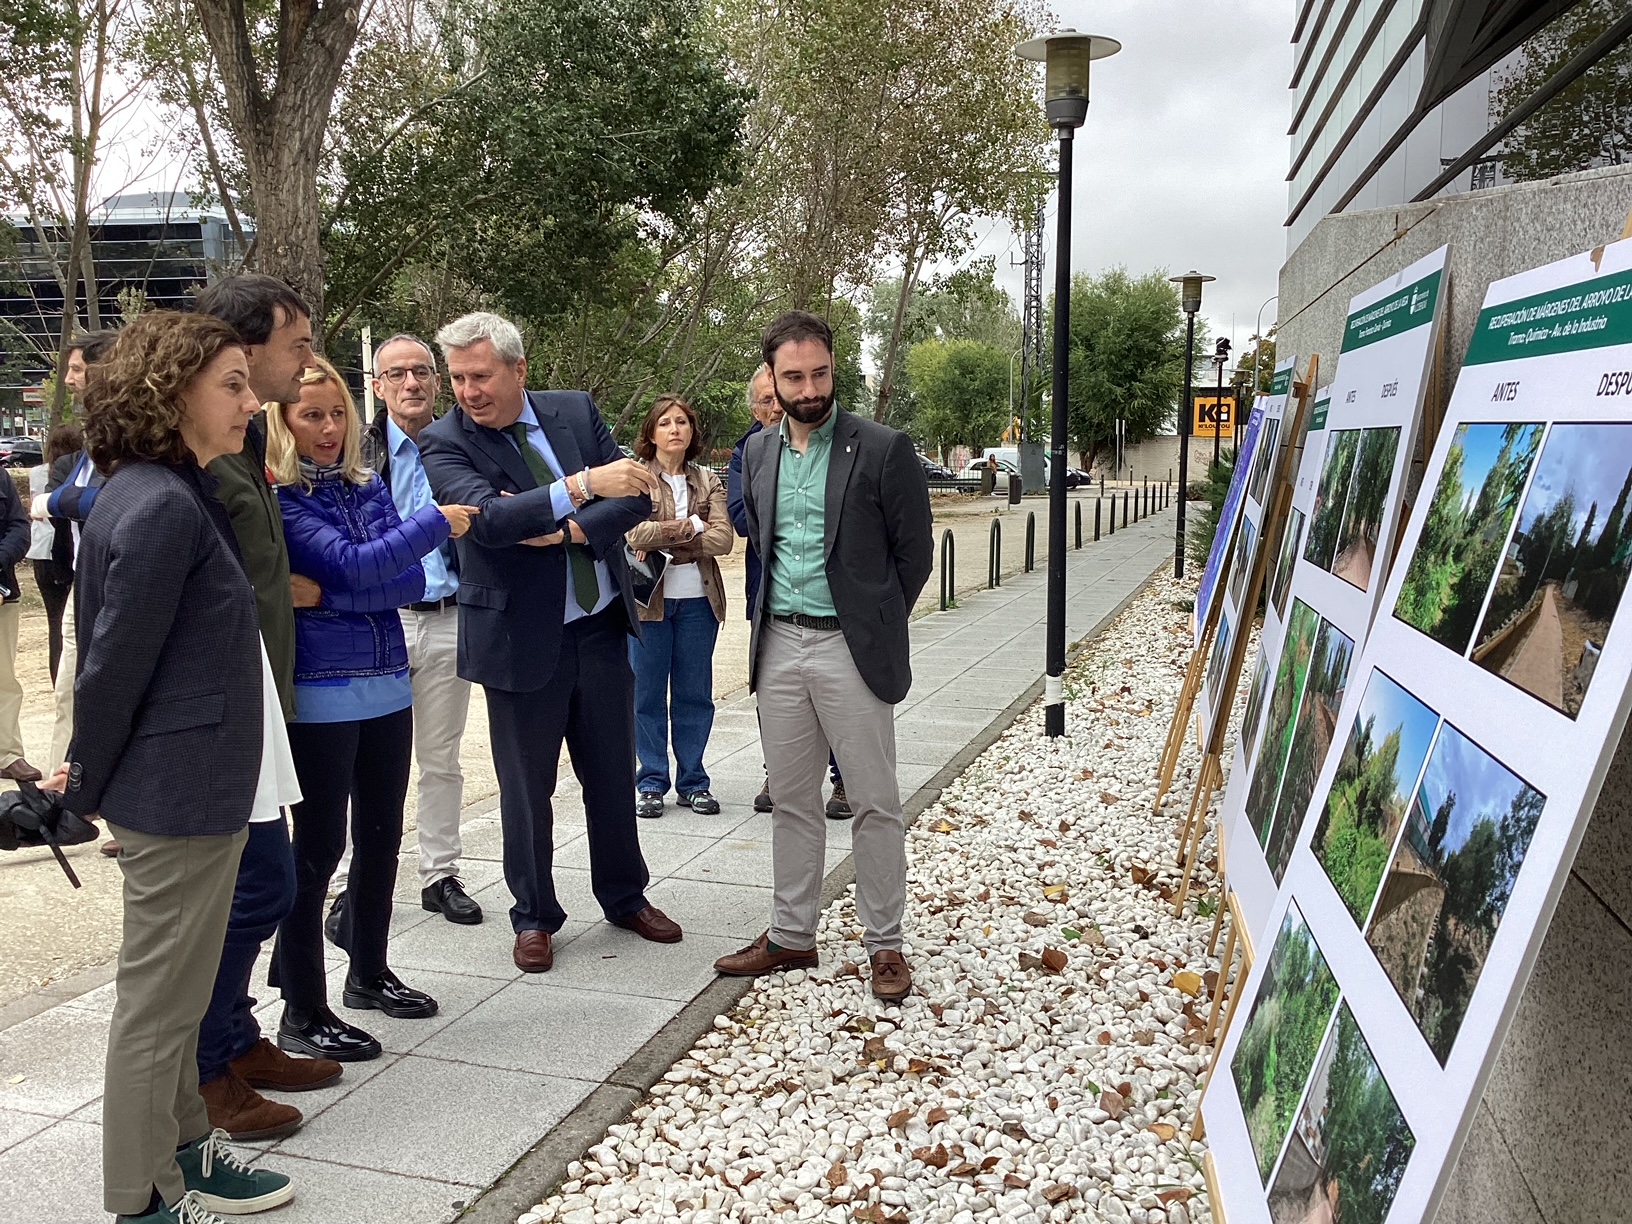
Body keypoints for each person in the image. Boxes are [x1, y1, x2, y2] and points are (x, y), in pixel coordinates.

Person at [44, 310, 294, 1224]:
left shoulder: (170, 488)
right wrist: (83, 786)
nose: (248, 400)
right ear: (171, 392)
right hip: (175, 793)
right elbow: (113, 664)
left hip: (202, 784)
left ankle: (188, 1154)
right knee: (156, 1010)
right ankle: (142, 1198)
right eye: (230, 384)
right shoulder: (152, 503)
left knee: (184, 1003)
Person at [419, 311, 681, 973]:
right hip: (516, 641)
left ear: (519, 370)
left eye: (481, 375)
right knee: (525, 792)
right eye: (458, 378)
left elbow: (638, 498)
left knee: (613, 777)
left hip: (597, 630)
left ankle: (625, 896)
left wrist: (564, 528)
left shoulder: (572, 411)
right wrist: (582, 486)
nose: (468, 391)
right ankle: (534, 917)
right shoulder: (444, 440)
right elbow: (493, 523)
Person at [714, 311, 932, 1002]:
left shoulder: (882, 447)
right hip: (778, 643)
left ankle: (885, 944)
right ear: (771, 381)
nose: (809, 388)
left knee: (873, 799)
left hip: (849, 646)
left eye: (819, 373)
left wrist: (872, 621)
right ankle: (790, 934)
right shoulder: (756, 453)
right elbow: (763, 538)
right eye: (793, 377)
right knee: (791, 799)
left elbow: (914, 555)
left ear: (835, 369)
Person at [267, 358, 473, 1061]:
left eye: (335, 414)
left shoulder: (366, 485)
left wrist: (327, 595)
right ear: (283, 422)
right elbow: (369, 569)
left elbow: (406, 580)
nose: (327, 429)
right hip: (323, 689)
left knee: (382, 835)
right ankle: (301, 1006)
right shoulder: (283, 499)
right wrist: (433, 524)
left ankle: (369, 972)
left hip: (387, 679)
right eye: (310, 415)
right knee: (319, 847)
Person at [190, 275, 341, 1139]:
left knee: (265, 881)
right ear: (242, 347)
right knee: (256, 889)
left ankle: (238, 1040)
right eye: (297, 342)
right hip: (222, 717)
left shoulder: (244, 444)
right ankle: (208, 1070)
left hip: (262, 704)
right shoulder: (198, 456)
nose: (308, 360)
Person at [340, 333, 481, 926]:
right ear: (376, 387)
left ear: (437, 381)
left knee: (441, 758)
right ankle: (357, 880)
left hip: (451, 617)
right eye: (395, 375)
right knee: (366, 760)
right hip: (382, 623)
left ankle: (439, 875)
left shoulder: (466, 446)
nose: (410, 384)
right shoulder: (355, 452)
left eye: (420, 372)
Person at [726, 365, 850, 820]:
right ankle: (778, 773)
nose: (774, 407)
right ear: (755, 409)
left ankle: (844, 780)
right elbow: (741, 518)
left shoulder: (839, 443)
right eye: (764, 401)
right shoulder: (746, 453)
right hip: (769, 599)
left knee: (837, 698)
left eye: (777, 397)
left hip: (833, 604)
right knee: (775, 697)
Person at [626, 394, 733, 818]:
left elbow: (723, 539)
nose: (676, 429)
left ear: (693, 432)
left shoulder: (708, 481)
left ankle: (693, 782)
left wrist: (667, 541)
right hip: (649, 604)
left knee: (694, 695)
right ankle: (651, 781)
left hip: (698, 603)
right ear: (651, 433)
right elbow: (633, 533)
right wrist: (691, 526)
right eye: (666, 422)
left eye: (683, 422)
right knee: (647, 695)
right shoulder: (635, 479)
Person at [45, 330, 120, 809]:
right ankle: (65, 799)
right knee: (68, 691)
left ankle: (91, 799)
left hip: (116, 578)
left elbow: (85, 498)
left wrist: (57, 500)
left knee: (98, 690)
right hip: (83, 577)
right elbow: (66, 492)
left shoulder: (124, 430)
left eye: (75, 369)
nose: (69, 380)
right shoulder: (92, 433)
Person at [29, 422, 80, 682]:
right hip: (63, 553)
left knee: (54, 623)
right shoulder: (77, 473)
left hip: (41, 553)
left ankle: (56, 678)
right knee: (69, 624)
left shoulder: (37, 473)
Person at [0, 440, 33, 784]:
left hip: (1, 593)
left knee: (4, 679)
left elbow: (19, 528)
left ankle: (7, 754)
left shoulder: (1, 478)